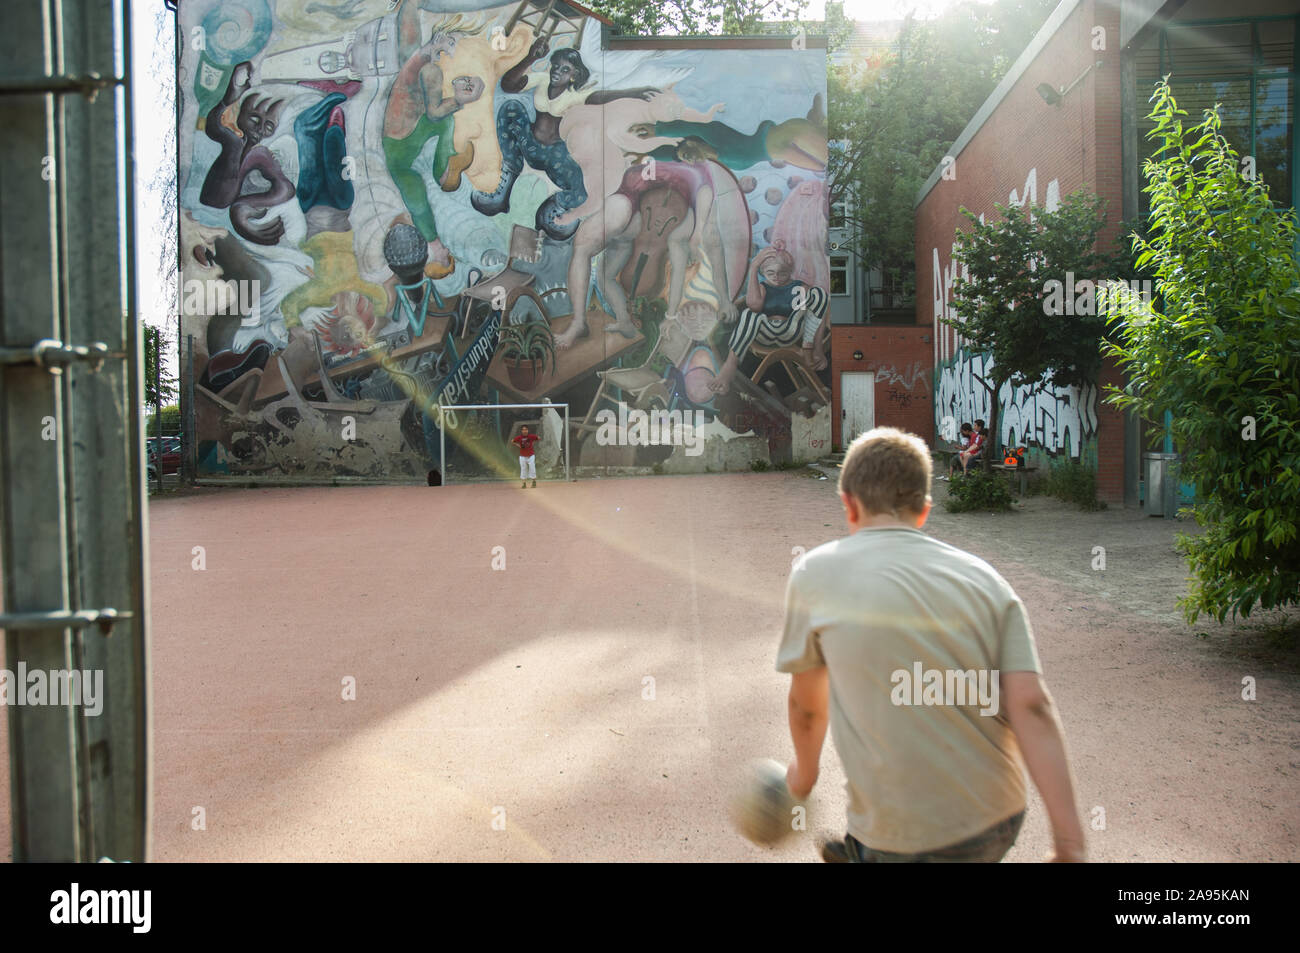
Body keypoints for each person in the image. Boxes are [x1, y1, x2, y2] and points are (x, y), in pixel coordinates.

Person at [777, 427, 1086, 863]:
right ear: (924, 511)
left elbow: (808, 708)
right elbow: (1031, 705)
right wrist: (1070, 844)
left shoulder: (815, 575)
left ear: (847, 504)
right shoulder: (985, 580)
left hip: (898, 833)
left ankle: (860, 854)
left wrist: (803, 779)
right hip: (996, 819)